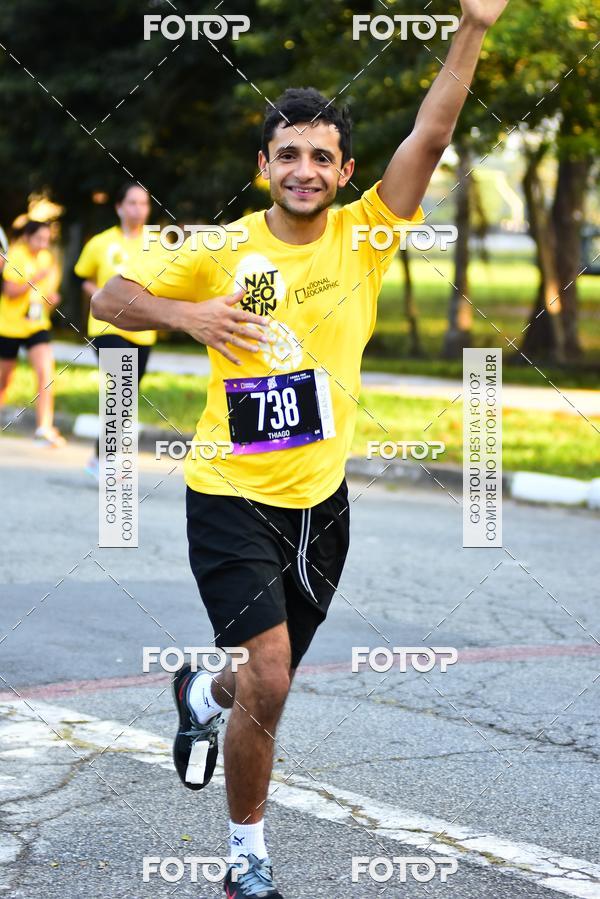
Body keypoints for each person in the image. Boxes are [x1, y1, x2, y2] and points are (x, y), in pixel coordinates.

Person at [92, 2, 508, 894]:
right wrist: (186, 313)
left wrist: (472, 26)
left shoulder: (367, 235)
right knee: (272, 678)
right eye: (289, 153)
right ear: (264, 167)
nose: (306, 169)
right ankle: (247, 856)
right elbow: (109, 300)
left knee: (252, 685)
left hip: (323, 510)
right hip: (229, 496)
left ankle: (198, 696)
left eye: (323, 156)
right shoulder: (221, 248)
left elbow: (431, 138)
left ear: (346, 169)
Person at [74, 182, 157, 477]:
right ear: (119, 207)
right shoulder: (100, 242)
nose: (138, 209)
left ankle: (99, 456)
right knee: (121, 386)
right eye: (132, 203)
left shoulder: (156, 243)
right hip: (106, 325)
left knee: (127, 395)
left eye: (143, 203)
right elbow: (80, 276)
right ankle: (109, 460)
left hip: (144, 329)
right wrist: (99, 294)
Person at [0, 220, 65, 446]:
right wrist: (34, 279)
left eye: (46, 240)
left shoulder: (46, 259)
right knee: (4, 381)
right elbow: (10, 291)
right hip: (10, 326)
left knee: (45, 372)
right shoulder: (16, 255)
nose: (43, 244)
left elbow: (44, 295)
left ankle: (44, 427)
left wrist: (52, 300)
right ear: (27, 237)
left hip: (37, 325)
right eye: (39, 239)